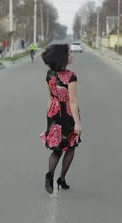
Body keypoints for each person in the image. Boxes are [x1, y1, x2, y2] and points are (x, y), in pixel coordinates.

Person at [40, 44, 81, 194]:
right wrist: (77, 122)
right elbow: (72, 101)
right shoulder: (71, 76)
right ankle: (61, 178)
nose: (72, 55)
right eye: (69, 53)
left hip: (53, 113)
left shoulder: (49, 74)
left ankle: (50, 174)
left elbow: (50, 98)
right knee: (71, 146)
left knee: (57, 148)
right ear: (63, 57)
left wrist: (50, 118)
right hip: (67, 115)